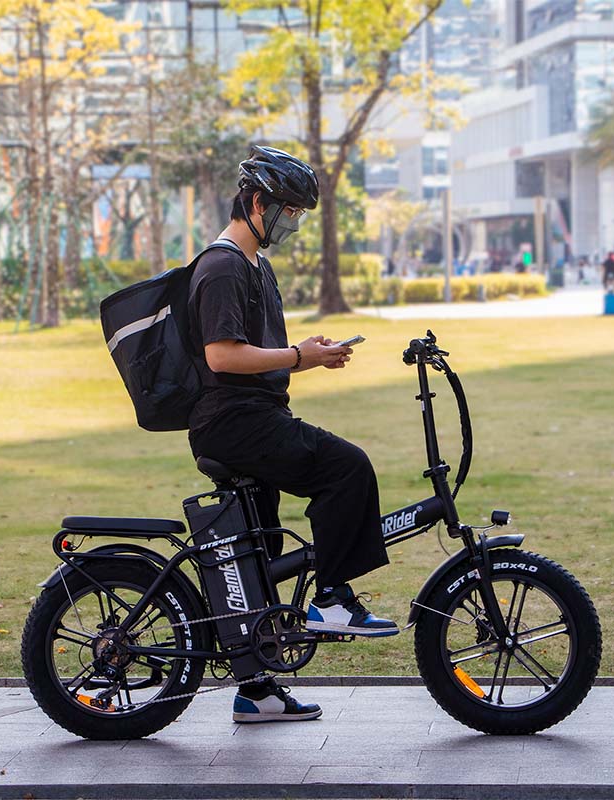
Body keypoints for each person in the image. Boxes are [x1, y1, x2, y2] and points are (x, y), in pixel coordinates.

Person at [187, 146, 398, 724]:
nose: (292, 223)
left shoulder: (255, 264)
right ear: (256, 202)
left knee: (260, 559)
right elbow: (223, 356)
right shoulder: (224, 265)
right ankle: (331, 598)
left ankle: (255, 692)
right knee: (345, 468)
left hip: (247, 420)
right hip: (235, 423)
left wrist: (309, 357)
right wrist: (298, 355)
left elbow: (260, 351)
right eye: (287, 211)